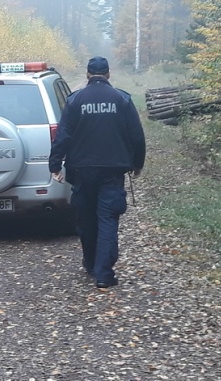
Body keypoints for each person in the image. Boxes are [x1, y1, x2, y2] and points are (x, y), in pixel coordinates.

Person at [49, 56, 146, 290]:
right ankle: (104, 274)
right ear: (109, 74)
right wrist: (137, 163)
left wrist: (54, 165)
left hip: (81, 171)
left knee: (87, 218)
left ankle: (91, 263)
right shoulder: (122, 99)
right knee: (107, 218)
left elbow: (62, 137)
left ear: (87, 75)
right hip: (112, 171)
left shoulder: (75, 101)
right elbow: (136, 135)